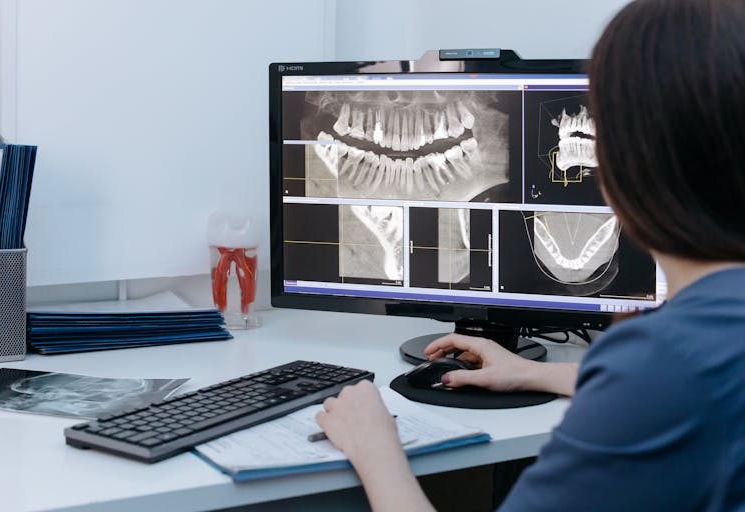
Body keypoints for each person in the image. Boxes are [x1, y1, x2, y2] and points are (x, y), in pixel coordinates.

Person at [315, 0, 745, 509]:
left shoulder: (665, 360)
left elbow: (665, 380)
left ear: (627, 159)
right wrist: (531, 372)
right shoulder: (703, 345)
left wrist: (373, 446)